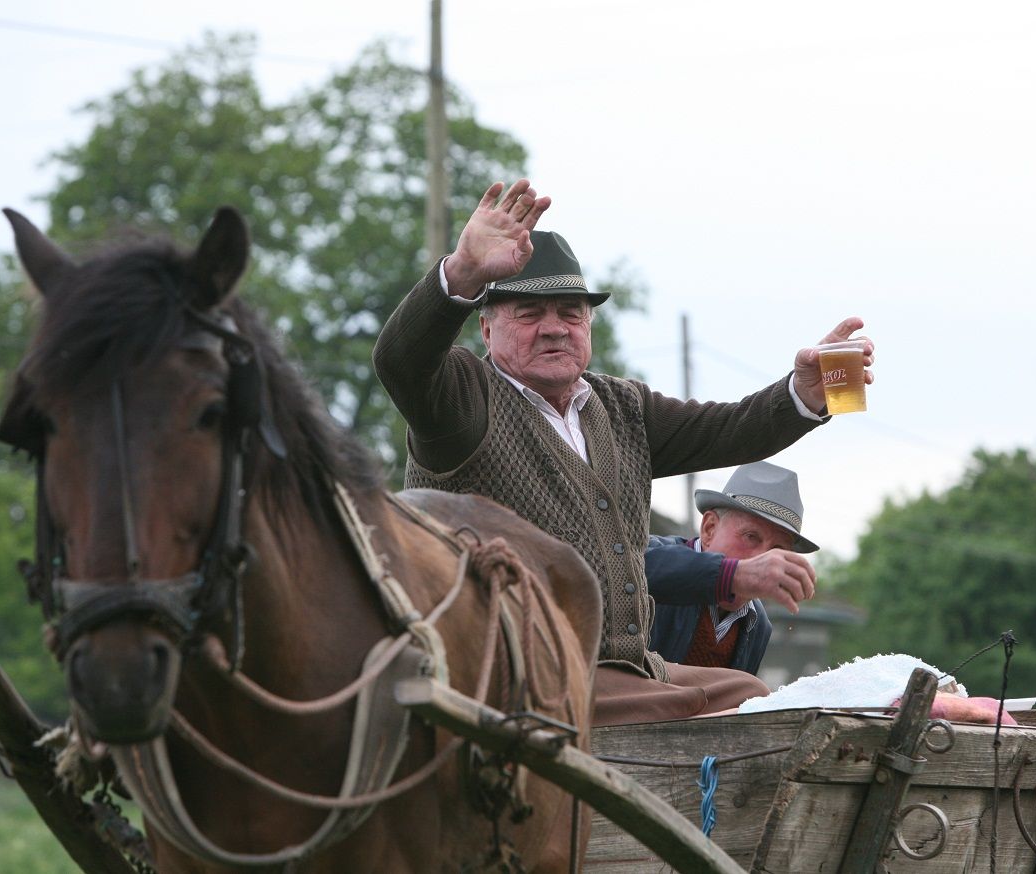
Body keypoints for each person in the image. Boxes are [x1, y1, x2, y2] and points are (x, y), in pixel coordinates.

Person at [372, 179, 874, 726]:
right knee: (687, 711)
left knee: (754, 696)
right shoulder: (463, 397)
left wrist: (802, 395)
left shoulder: (620, 406)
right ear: (486, 326)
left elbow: (731, 430)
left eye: (570, 312)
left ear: (588, 324)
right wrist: (463, 272)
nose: (553, 329)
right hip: (506, 670)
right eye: (528, 313)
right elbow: (401, 360)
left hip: (625, 668)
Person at [646, 461, 818, 675]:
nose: (762, 559)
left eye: (777, 549)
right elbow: (635, 571)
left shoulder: (759, 625)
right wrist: (731, 575)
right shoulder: (648, 554)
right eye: (751, 536)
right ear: (709, 529)